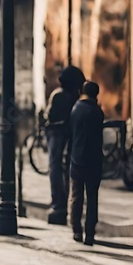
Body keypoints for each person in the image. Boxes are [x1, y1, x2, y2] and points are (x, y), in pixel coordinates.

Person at [45, 65, 86, 225]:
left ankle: (58, 202)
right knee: (62, 168)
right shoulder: (69, 97)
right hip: (63, 134)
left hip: (56, 133)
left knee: (55, 167)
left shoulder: (59, 95)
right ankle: (61, 202)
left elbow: (50, 116)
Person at [69, 81, 105, 246]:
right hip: (94, 160)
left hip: (77, 159)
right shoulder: (98, 112)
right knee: (92, 198)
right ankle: (90, 233)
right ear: (96, 94)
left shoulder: (76, 110)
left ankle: (76, 230)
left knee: (76, 196)